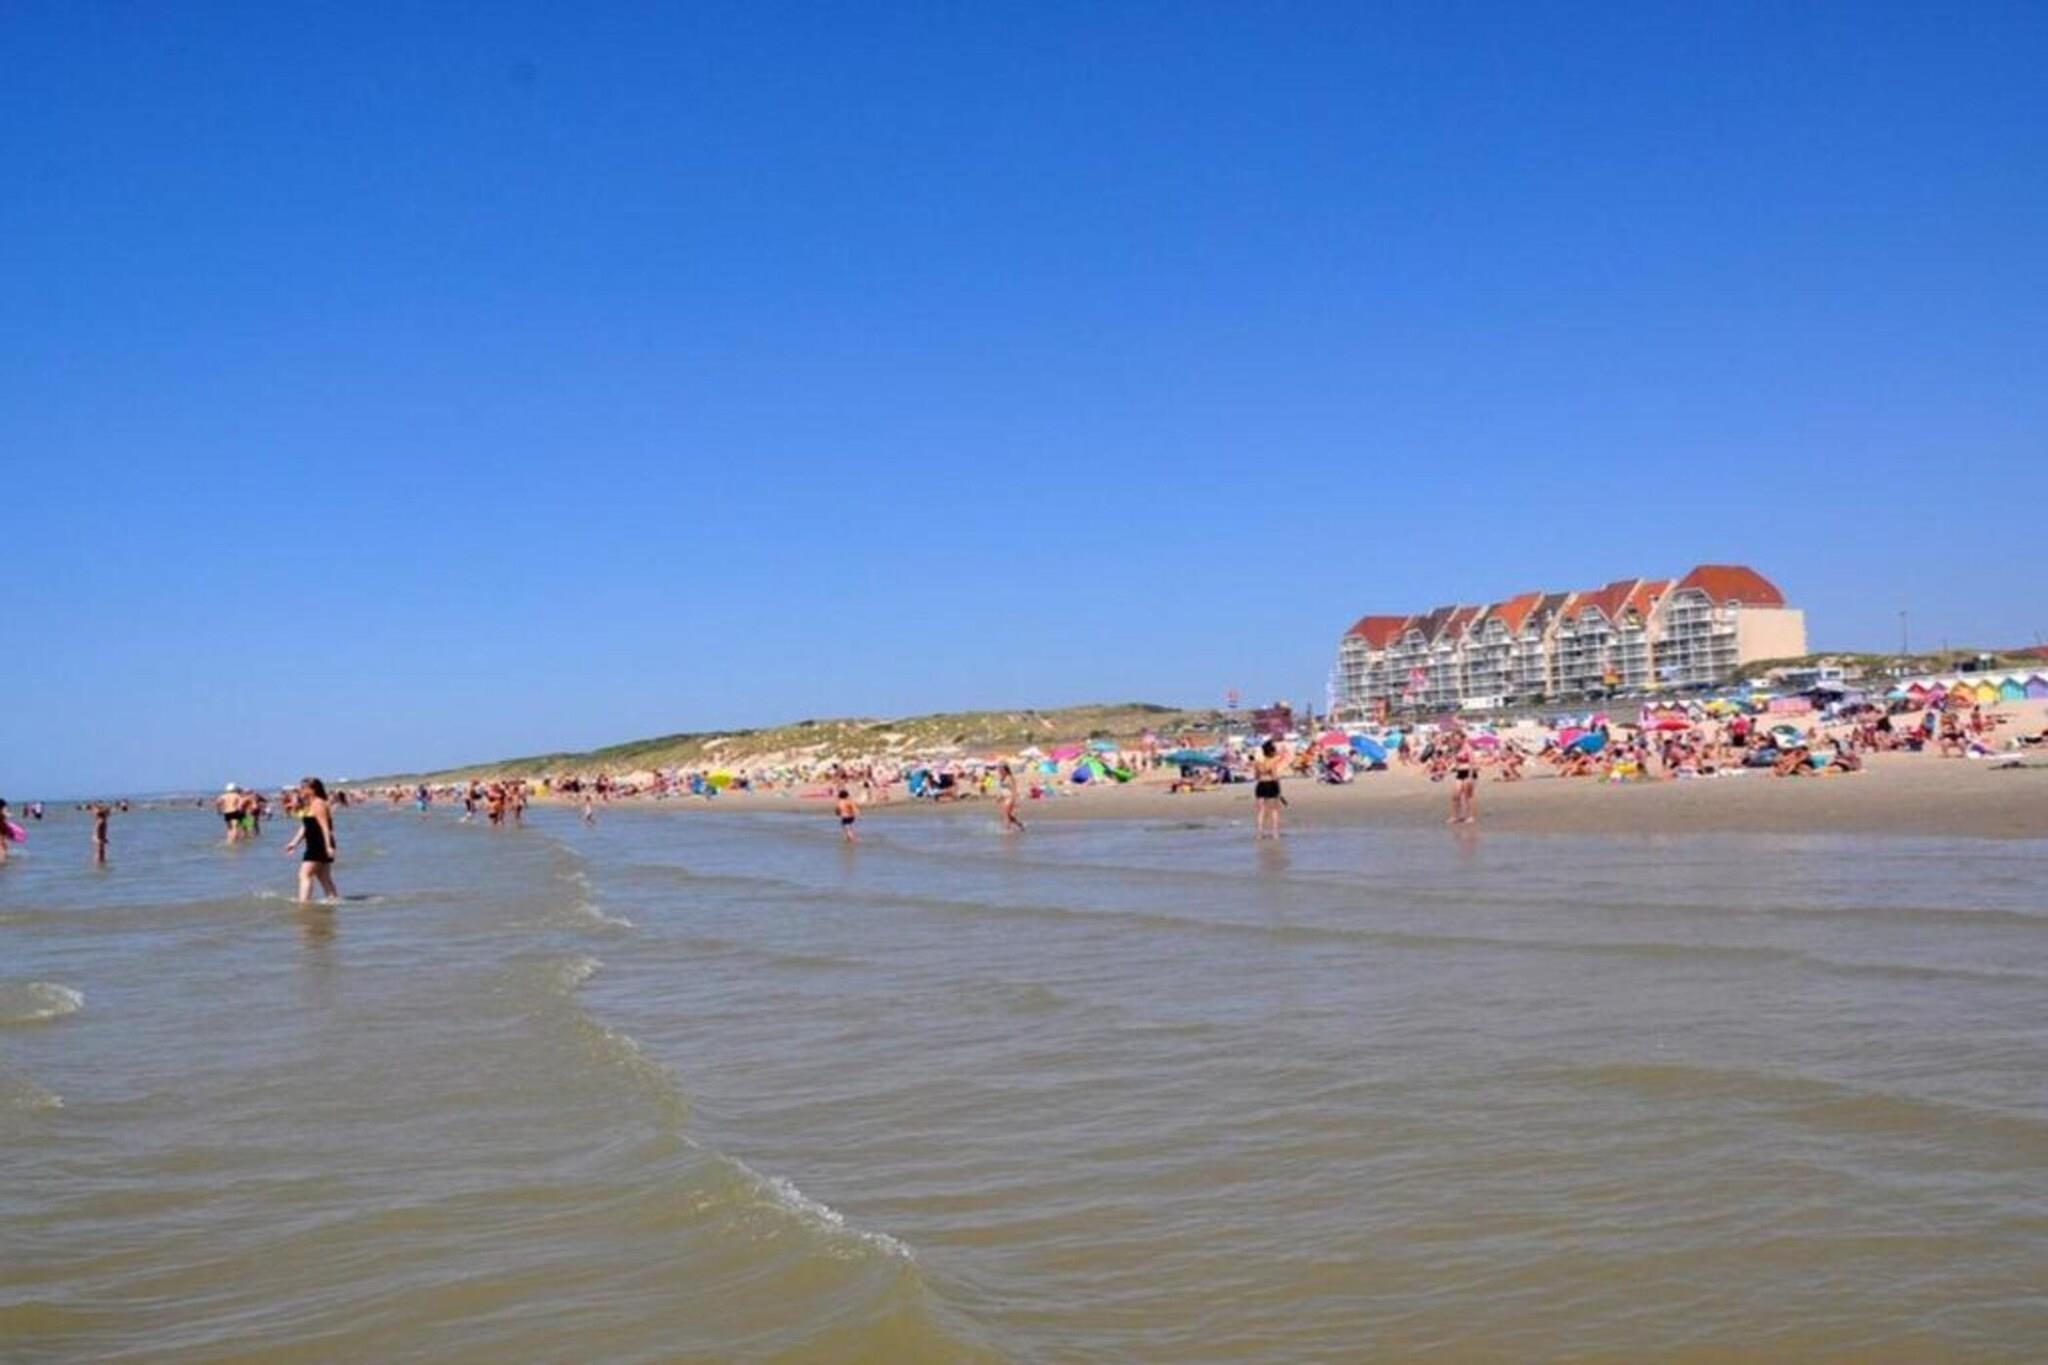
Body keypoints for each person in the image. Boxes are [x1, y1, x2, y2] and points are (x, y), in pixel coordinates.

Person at [284, 777, 340, 903]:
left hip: (319, 844)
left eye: (303, 788)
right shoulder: (310, 804)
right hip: (315, 843)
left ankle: (304, 904)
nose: (300, 790)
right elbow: (306, 826)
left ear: (312, 790)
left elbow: (325, 827)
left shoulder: (318, 803)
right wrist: (294, 843)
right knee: (324, 877)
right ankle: (334, 902)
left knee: (304, 874)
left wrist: (328, 846)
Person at [1253, 739, 1285, 840]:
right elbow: (1275, 776)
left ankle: (1259, 834)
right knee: (1274, 810)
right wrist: (1279, 789)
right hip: (1271, 784)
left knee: (1261, 811)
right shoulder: (1273, 762)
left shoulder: (1257, 763)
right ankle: (1275, 833)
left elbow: (1256, 776)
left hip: (1261, 785)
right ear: (1271, 751)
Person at [1448, 741, 1479, 824]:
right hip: (1460, 773)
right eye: (1454, 739)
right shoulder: (1455, 750)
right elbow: (1455, 764)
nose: (1455, 741)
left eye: (1456, 739)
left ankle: (1470, 816)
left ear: (1461, 739)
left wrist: (1470, 776)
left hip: (1469, 773)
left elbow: (1472, 763)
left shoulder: (1468, 748)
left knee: (1468, 795)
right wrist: (1448, 770)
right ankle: (1455, 816)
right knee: (1455, 795)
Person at [997, 762, 1026, 832]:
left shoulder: (1009, 778)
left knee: (1005, 814)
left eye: (1001, 770)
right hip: (1005, 798)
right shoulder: (1002, 778)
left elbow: (1014, 789)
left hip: (1010, 797)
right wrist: (1000, 797)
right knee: (1008, 814)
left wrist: (1014, 799)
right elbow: (1003, 788)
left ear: (1005, 770)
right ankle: (1019, 824)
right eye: (999, 770)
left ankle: (1007, 829)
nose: (1000, 771)